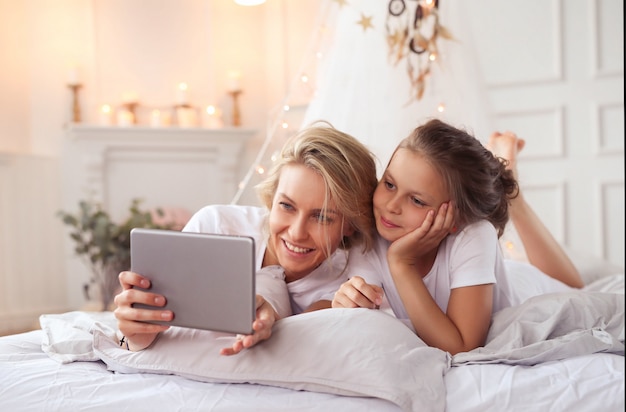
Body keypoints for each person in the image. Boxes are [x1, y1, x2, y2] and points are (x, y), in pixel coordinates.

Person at [114, 121, 378, 355]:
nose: (297, 232)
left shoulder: (351, 279)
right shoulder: (216, 226)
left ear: (350, 226)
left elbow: (297, 333)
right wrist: (136, 336)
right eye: (286, 206)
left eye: (322, 217)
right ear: (271, 199)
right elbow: (137, 335)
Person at [331, 119, 582, 355]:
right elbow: (364, 317)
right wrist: (349, 300)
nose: (391, 206)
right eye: (389, 184)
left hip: (524, 289)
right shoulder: (367, 240)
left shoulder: (474, 233)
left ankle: (515, 199)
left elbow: (461, 346)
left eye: (416, 200)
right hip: (486, 277)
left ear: (455, 219)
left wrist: (401, 263)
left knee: (578, 291)